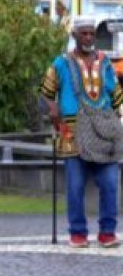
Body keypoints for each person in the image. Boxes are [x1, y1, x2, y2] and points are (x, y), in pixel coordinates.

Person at [41, 15, 122, 248]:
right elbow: (45, 93)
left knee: (109, 184)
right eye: (83, 33)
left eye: (91, 33)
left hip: (103, 133)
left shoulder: (105, 62)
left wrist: (118, 121)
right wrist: (52, 107)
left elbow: (116, 95)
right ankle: (78, 233)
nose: (88, 38)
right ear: (74, 35)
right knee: (75, 186)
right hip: (71, 132)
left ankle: (107, 232)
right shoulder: (60, 64)